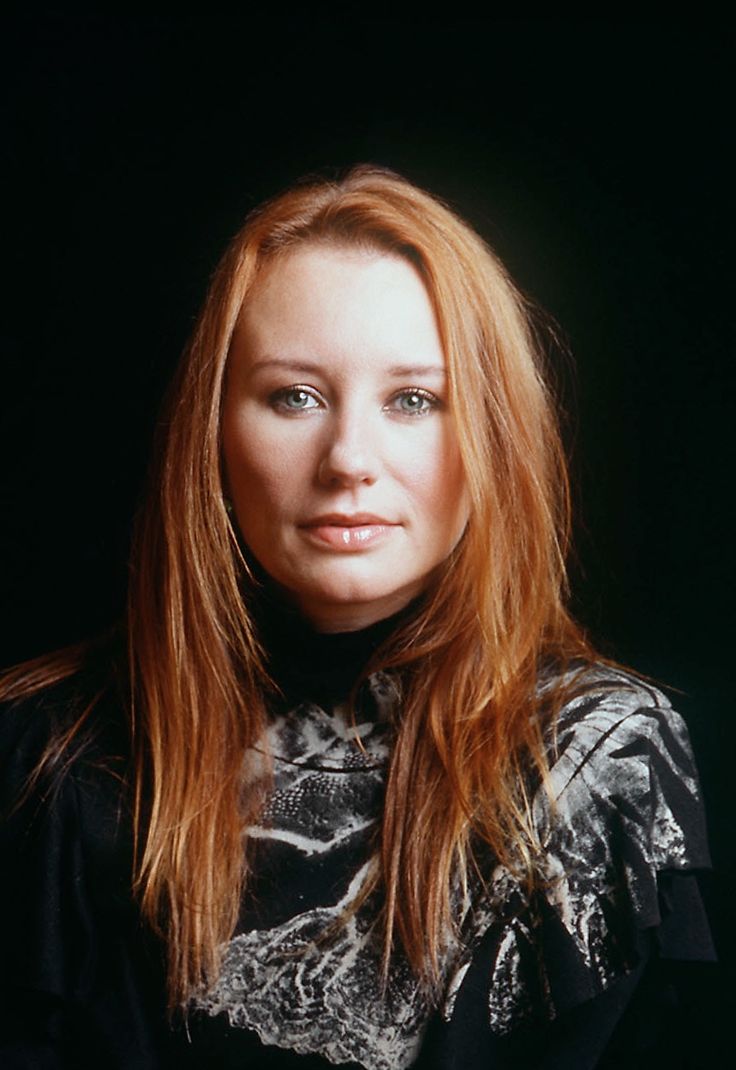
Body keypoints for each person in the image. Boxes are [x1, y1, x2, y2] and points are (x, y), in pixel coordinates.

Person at [0, 166, 715, 1069]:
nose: (348, 459)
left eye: (413, 400)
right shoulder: (48, 753)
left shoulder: (599, 759)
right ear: (213, 429)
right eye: (294, 395)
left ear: (492, 433)